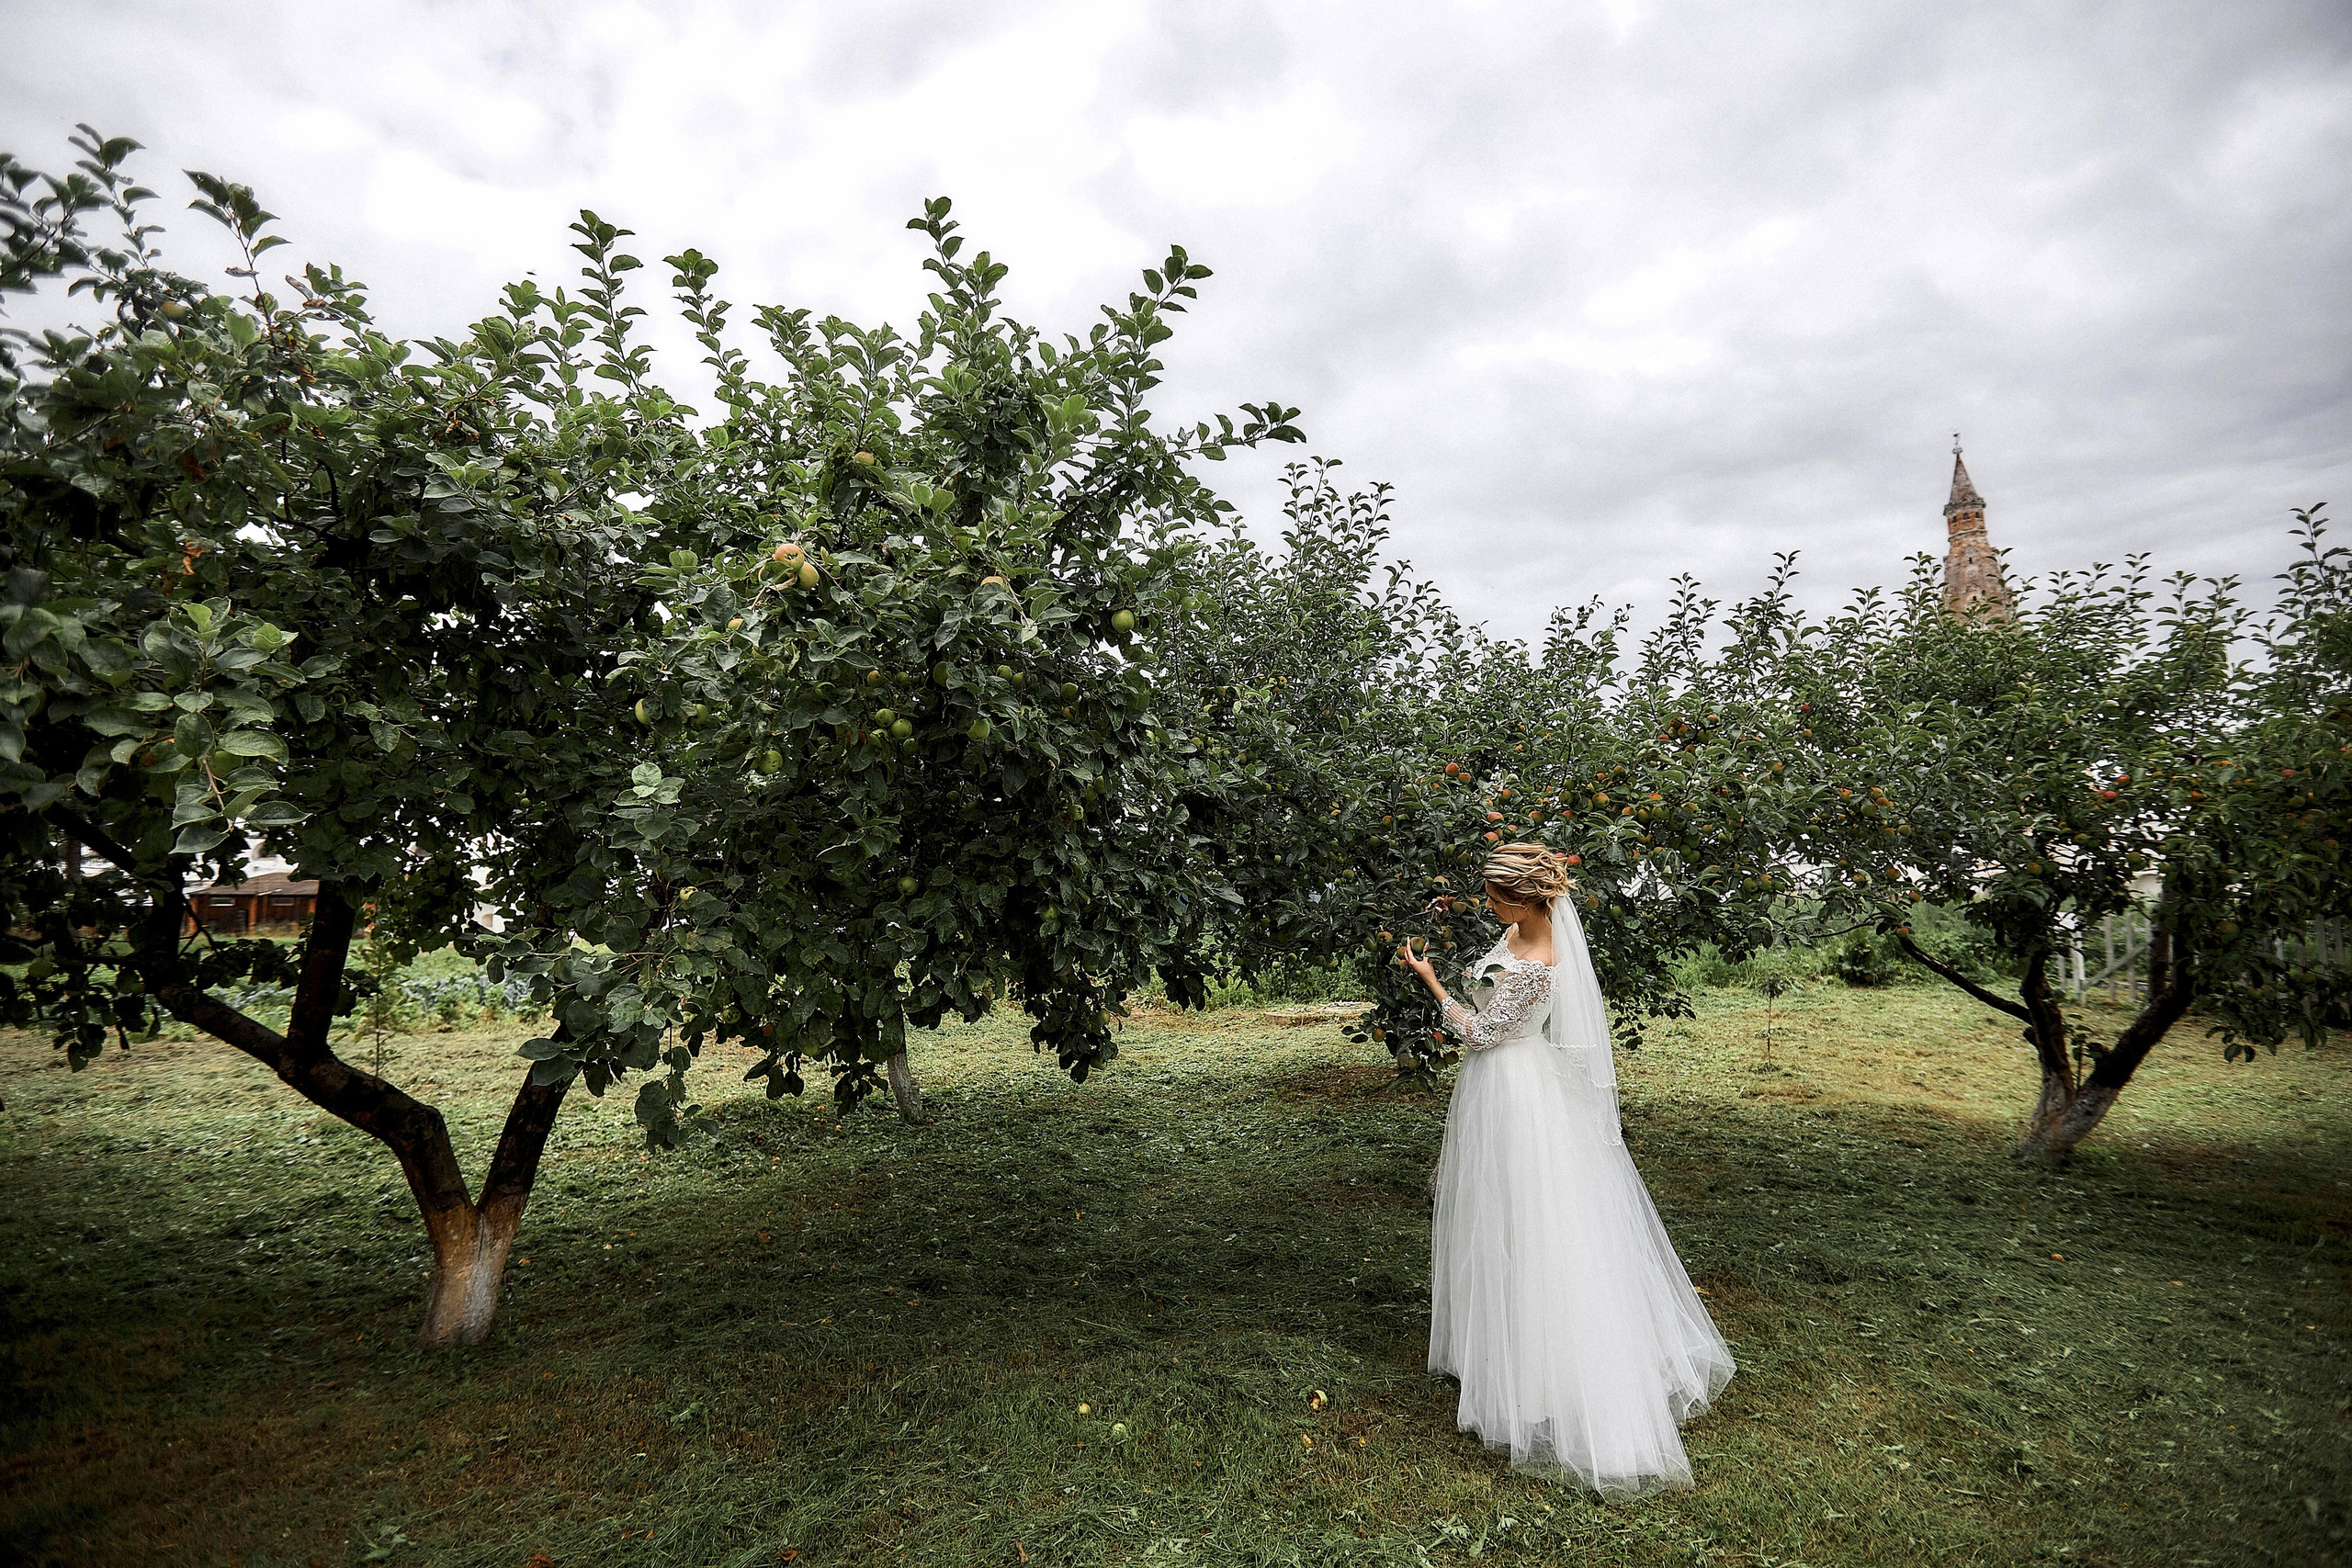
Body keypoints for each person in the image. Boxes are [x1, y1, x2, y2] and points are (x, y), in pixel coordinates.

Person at [1396, 841, 1736, 1498]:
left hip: (1516, 1093)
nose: (1487, 904)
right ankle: (1498, 1357)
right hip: (1503, 1088)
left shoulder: (1537, 959)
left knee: (1532, 1226)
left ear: (1524, 897)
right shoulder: (1518, 929)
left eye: (1496, 895)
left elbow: (1484, 1034)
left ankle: (1543, 1377)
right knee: (1498, 1223)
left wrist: (1432, 981)